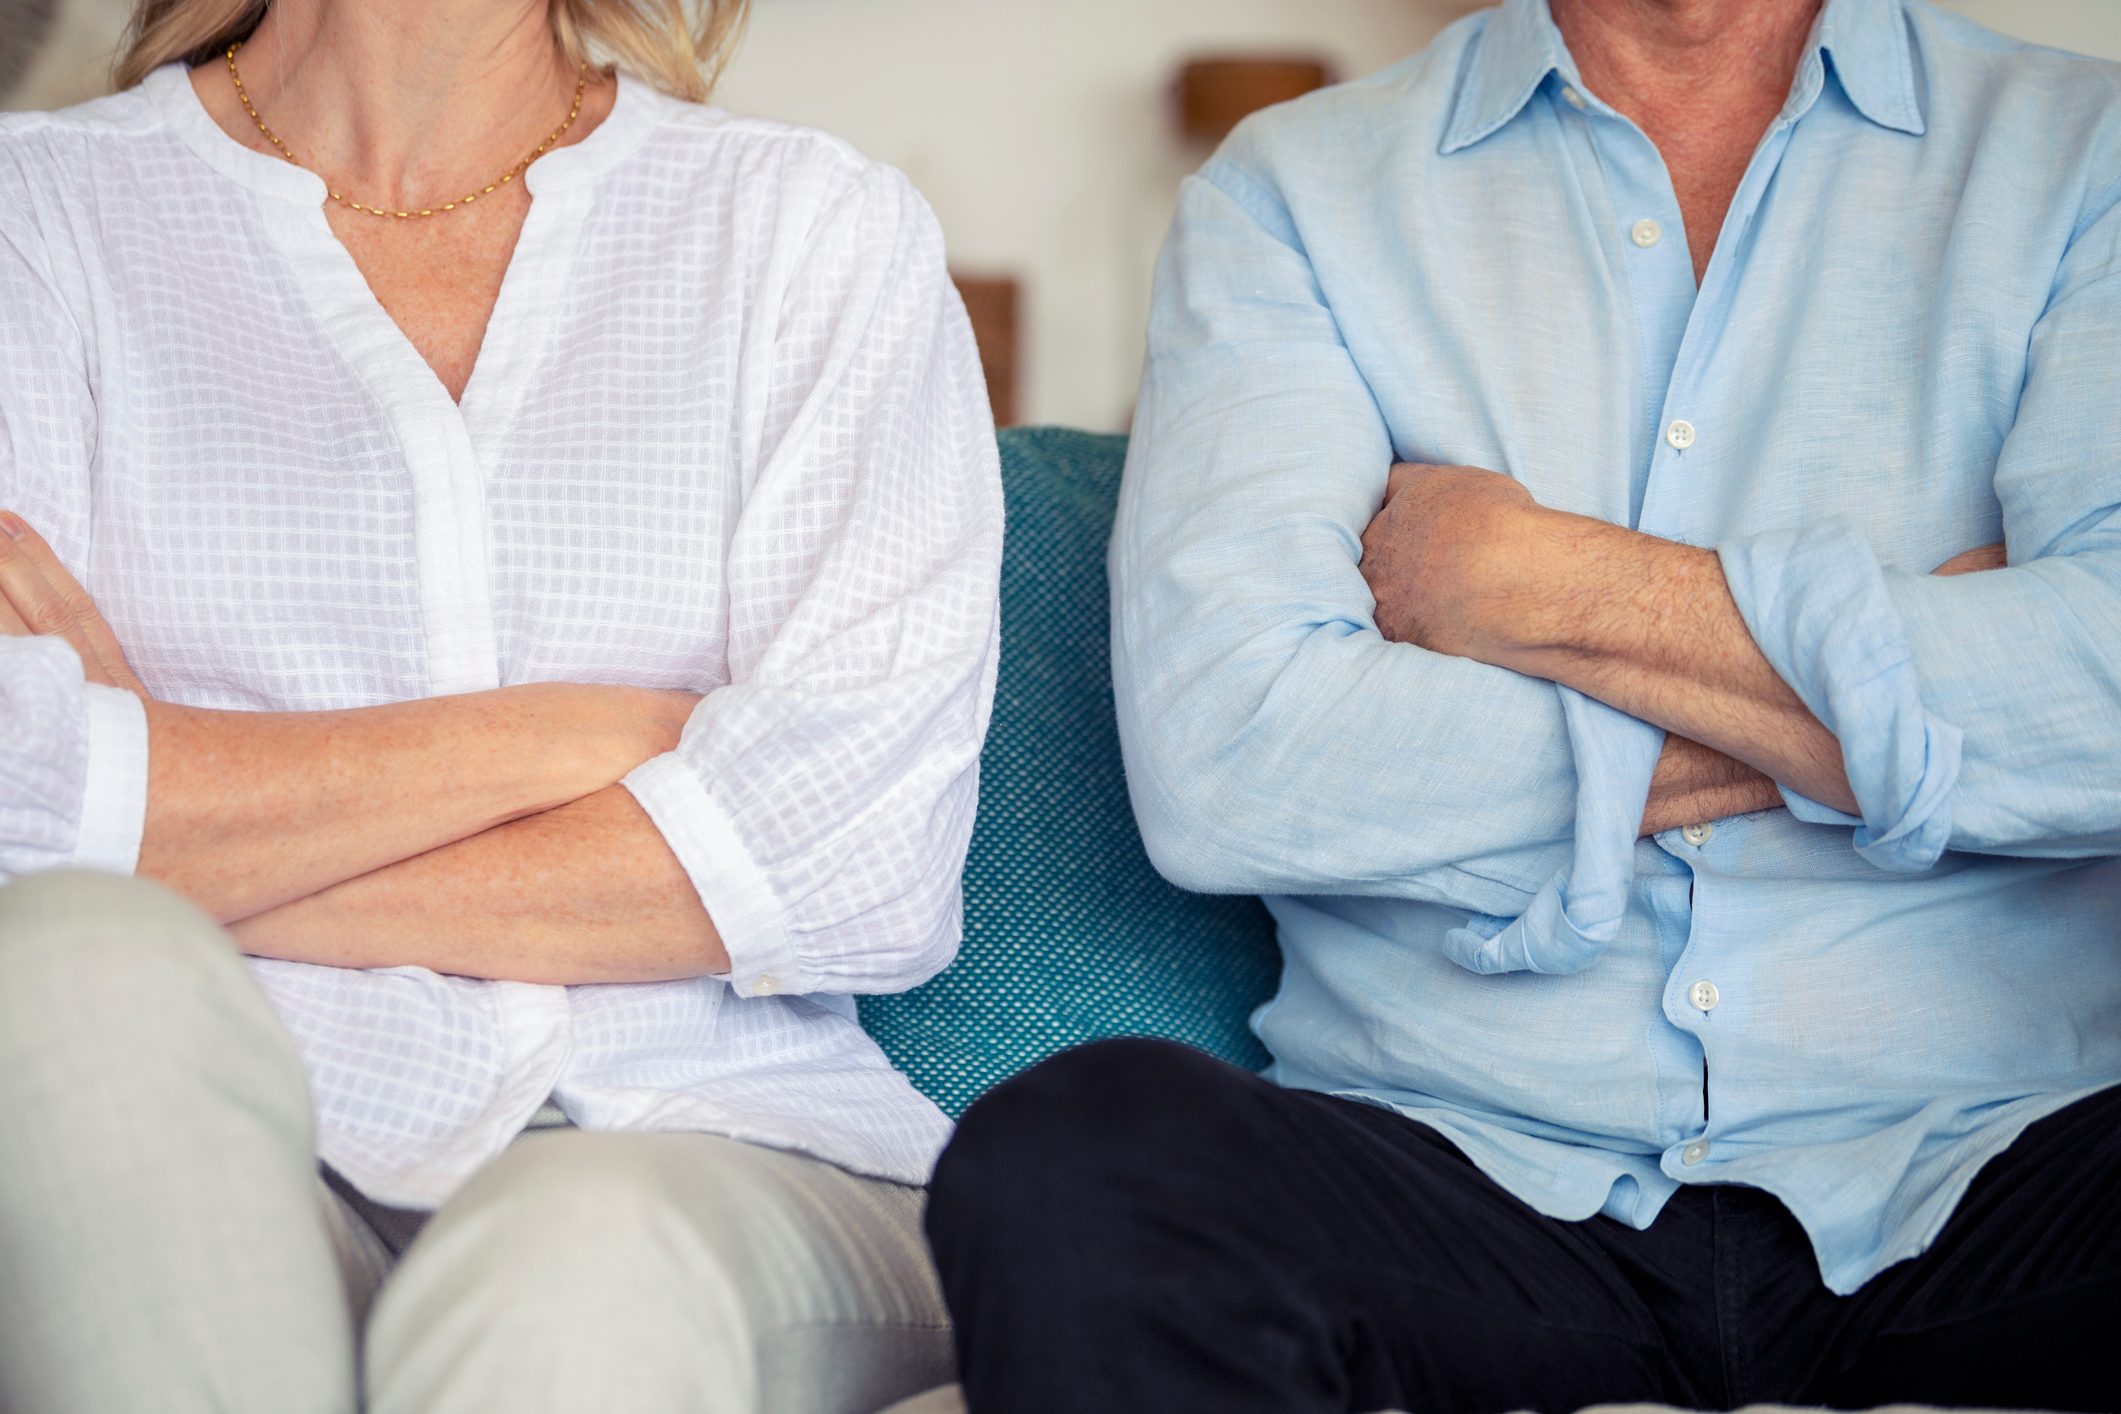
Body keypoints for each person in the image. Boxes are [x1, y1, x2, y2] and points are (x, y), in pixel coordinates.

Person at [923, 0, 2121, 1410]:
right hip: (1462, 1166)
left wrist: (1526, 582)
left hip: (2000, 1156)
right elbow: (1232, 756)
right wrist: (1906, 658)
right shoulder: (1291, 194)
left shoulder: (2085, 154)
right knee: (1080, 1160)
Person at [0, 0, 1001, 1410]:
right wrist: (567, 738)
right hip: (226, 1148)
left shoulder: (809, 230)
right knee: (70, 963)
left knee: (568, 1251)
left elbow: (855, 862)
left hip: (717, 1152)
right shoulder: (33, 220)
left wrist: (175, 824)